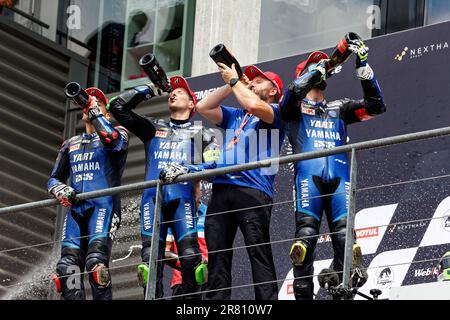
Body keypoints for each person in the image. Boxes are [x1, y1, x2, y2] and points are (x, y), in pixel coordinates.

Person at [166, 62, 285, 300]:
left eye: (259, 81)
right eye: (250, 80)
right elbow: (203, 106)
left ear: (273, 90)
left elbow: (253, 103)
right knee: (218, 255)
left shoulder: (275, 111)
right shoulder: (237, 115)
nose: (252, 83)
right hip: (221, 190)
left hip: (252, 190)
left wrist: (236, 81)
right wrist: (232, 85)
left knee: (257, 252)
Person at [279, 39, 386, 300]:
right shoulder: (294, 109)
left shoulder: (340, 108)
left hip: (340, 179)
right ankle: (303, 293)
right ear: (306, 74)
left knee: (344, 236)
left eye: (322, 63)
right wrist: (324, 66)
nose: (321, 67)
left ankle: (344, 290)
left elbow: (376, 107)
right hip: (309, 178)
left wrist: (363, 67)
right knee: (305, 235)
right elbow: (291, 93)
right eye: (313, 66)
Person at [108, 75, 219, 299]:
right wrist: (150, 89)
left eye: (181, 91)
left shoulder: (201, 134)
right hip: (152, 200)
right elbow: (116, 108)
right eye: (173, 91)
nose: (174, 93)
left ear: (192, 104)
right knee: (150, 263)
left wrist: (187, 170)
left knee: (190, 260)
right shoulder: (153, 127)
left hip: (183, 201)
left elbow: (216, 165)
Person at [48, 87, 129, 300]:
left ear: (106, 113)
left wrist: (96, 114)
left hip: (104, 206)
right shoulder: (70, 143)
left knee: (96, 265)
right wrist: (60, 189)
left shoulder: (119, 133)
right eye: (87, 102)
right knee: (67, 268)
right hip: (76, 211)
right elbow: (53, 179)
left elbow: (111, 140)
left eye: (97, 102)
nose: (89, 105)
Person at [166, 197, 208, 299]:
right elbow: (165, 252)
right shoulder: (175, 215)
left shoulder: (210, 213)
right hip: (181, 282)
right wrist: (189, 266)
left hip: (208, 281)